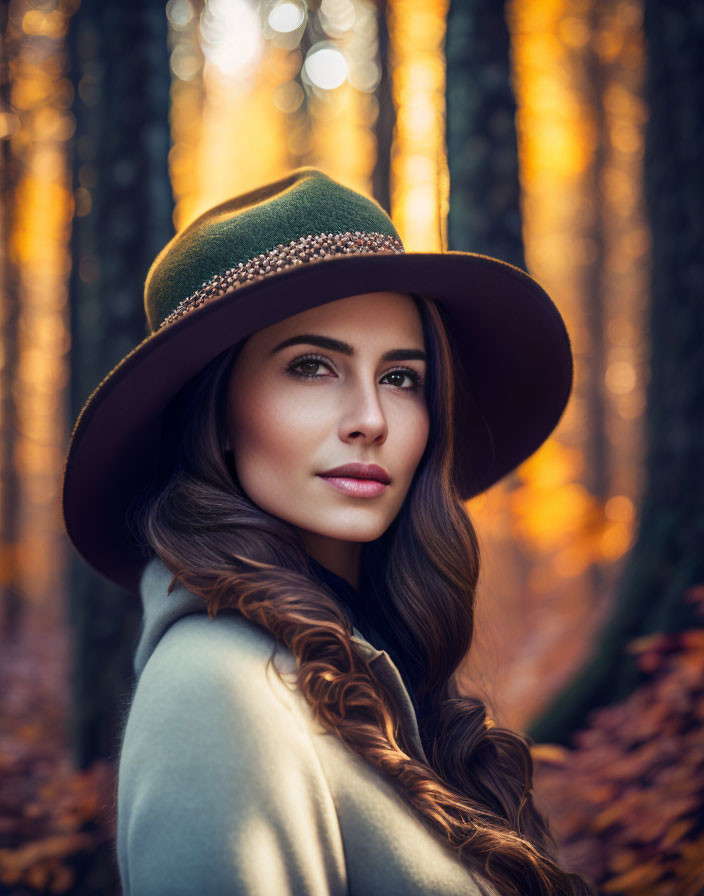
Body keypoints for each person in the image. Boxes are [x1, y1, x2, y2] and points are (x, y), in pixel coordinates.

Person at [61, 168, 596, 895]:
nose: (370, 418)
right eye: (312, 367)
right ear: (216, 415)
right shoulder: (218, 691)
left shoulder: (368, 672)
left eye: (402, 378)